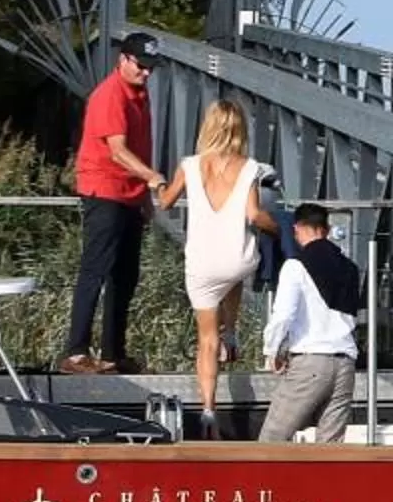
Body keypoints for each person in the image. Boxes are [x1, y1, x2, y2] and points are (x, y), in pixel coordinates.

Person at [155, 100, 279, 430]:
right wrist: (280, 228)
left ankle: (209, 409)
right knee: (234, 272)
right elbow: (255, 215)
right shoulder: (250, 167)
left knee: (207, 341)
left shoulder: (189, 165)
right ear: (240, 130)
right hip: (238, 259)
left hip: (201, 264)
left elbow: (164, 203)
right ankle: (233, 331)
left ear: (208, 128)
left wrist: (157, 183)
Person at [61, 31, 161, 374]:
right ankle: (76, 351)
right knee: (96, 268)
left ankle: (112, 353)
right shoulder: (110, 94)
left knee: (125, 275)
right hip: (104, 189)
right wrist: (152, 176)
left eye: (151, 67)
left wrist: (144, 195)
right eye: (141, 65)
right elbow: (118, 151)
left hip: (130, 194)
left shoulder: (141, 94)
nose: (146, 72)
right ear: (123, 59)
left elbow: (141, 146)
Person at [260, 203, 363, 443]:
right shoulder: (351, 268)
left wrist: (272, 350)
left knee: (271, 441)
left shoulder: (295, 265)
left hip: (311, 362)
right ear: (326, 229)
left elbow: (283, 315)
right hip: (345, 363)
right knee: (329, 449)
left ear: (297, 228)